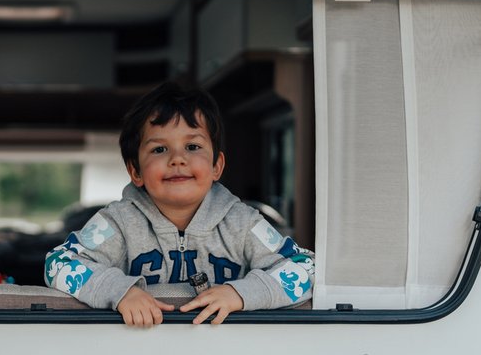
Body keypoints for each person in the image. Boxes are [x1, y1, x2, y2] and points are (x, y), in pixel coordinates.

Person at [43, 82, 314, 326]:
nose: (177, 159)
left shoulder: (242, 223)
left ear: (216, 166)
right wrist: (119, 291)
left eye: (193, 147)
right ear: (135, 171)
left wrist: (241, 293)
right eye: (159, 149)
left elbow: (306, 267)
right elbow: (58, 263)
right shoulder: (118, 222)